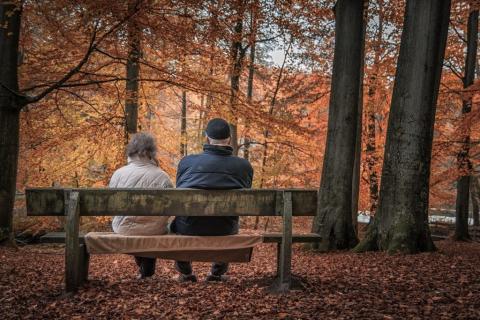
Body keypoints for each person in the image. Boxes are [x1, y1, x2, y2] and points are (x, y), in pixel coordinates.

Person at [170, 118, 254, 282]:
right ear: (229, 139)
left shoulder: (187, 162)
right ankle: (216, 274)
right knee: (226, 221)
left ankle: (186, 273)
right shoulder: (244, 166)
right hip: (225, 228)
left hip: (189, 227)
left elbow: (180, 192)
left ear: (207, 138)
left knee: (179, 222)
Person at [110, 132, 173, 278]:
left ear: (131, 151)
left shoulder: (118, 174)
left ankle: (146, 272)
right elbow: (169, 208)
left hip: (124, 228)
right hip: (155, 229)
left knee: (135, 226)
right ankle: (147, 271)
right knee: (151, 226)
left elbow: (113, 206)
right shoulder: (162, 176)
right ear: (152, 152)